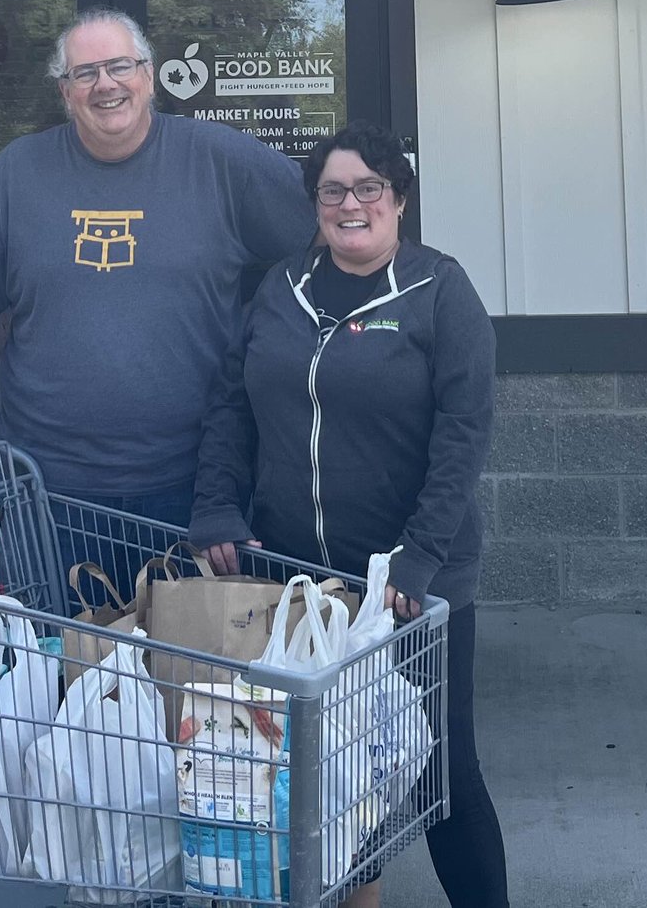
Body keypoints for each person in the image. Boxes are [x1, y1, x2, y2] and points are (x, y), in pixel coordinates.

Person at [190, 123, 509, 908]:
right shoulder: (281, 285)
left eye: (369, 187)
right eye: (333, 190)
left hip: (408, 581)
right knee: (330, 763)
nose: (351, 203)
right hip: (297, 575)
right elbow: (233, 403)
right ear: (316, 205)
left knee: (439, 769)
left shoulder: (440, 290)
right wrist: (216, 504)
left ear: (398, 199)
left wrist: (421, 552)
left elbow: (463, 432)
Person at [0, 8, 316, 540]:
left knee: (178, 628)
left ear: (149, 76)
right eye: (85, 73)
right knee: (51, 628)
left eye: (119, 66)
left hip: (197, 483)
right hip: (42, 487)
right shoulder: (19, 171)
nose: (105, 84)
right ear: (65, 93)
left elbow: (329, 233)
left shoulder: (220, 160)